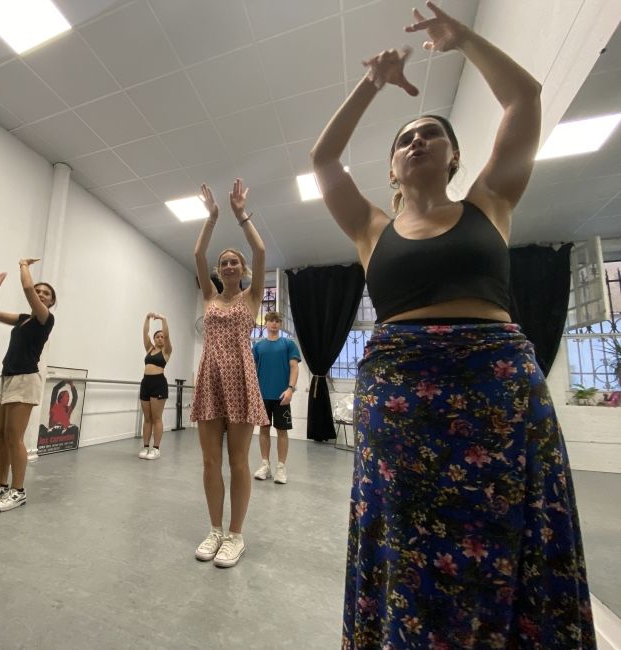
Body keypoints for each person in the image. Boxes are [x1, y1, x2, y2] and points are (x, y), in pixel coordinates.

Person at [311, 3, 594, 647]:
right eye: (404, 140)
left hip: (497, 392)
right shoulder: (369, 228)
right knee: (409, 541)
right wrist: (372, 82)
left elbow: (524, 97)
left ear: (455, 155)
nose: (417, 142)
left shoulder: (490, 202)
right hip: (402, 401)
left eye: (431, 133)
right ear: (391, 169)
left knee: (506, 530)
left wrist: (464, 38)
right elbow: (324, 160)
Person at [191, 179, 269, 568]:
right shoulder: (208, 295)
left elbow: (260, 249)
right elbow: (197, 252)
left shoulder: (251, 298)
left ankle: (236, 535)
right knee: (209, 462)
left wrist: (240, 215)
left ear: (242, 269)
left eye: (233, 261)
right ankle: (214, 530)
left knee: (238, 461)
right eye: (223, 262)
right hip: (209, 380)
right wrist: (211, 217)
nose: (228, 265)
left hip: (241, 380)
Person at [0, 258, 56, 513]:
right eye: (39, 290)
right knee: (0, 435)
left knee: (14, 437)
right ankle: (1, 485)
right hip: (7, 377)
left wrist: (23, 265)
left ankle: (18, 491)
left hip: (26, 379)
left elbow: (26, 289)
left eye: (46, 293)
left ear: (50, 302)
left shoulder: (45, 318)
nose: (40, 294)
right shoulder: (24, 319)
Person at [252, 312, 301, 484]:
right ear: (265, 324)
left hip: (282, 396)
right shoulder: (258, 347)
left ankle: (281, 468)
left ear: (280, 324)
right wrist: (253, 392)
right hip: (262, 396)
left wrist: (290, 389)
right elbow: (252, 371)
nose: (273, 323)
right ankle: (265, 465)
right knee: (263, 430)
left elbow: (294, 368)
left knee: (282, 431)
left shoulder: (288, 344)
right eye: (270, 321)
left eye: (277, 321)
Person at [139, 313, 172, 460]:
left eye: (162, 336)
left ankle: (156, 449)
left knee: (157, 418)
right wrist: (147, 318)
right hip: (145, 383)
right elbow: (144, 333)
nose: (160, 338)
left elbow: (167, 335)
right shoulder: (149, 349)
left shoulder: (167, 351)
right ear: (154, 339)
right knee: (147, 418)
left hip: (159, 384)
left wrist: (163, 319)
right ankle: (145, 447)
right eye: (157, 336)